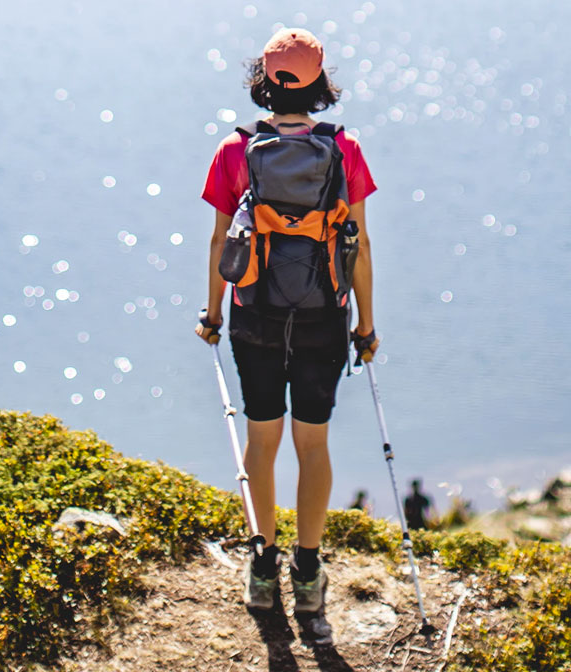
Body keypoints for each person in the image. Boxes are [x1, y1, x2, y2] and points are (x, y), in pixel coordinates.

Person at [195, 27, 379, 640]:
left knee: (262, 438)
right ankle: (307, 574)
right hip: (325, 314)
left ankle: (261, 567)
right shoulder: (344, 148)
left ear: (263, 81)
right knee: (313, 444)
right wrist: (365, 325)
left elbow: (223, 240)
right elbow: (359, 244)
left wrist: (213, 313)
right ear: (321, 83)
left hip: (256, 313)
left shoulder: (234, 150)